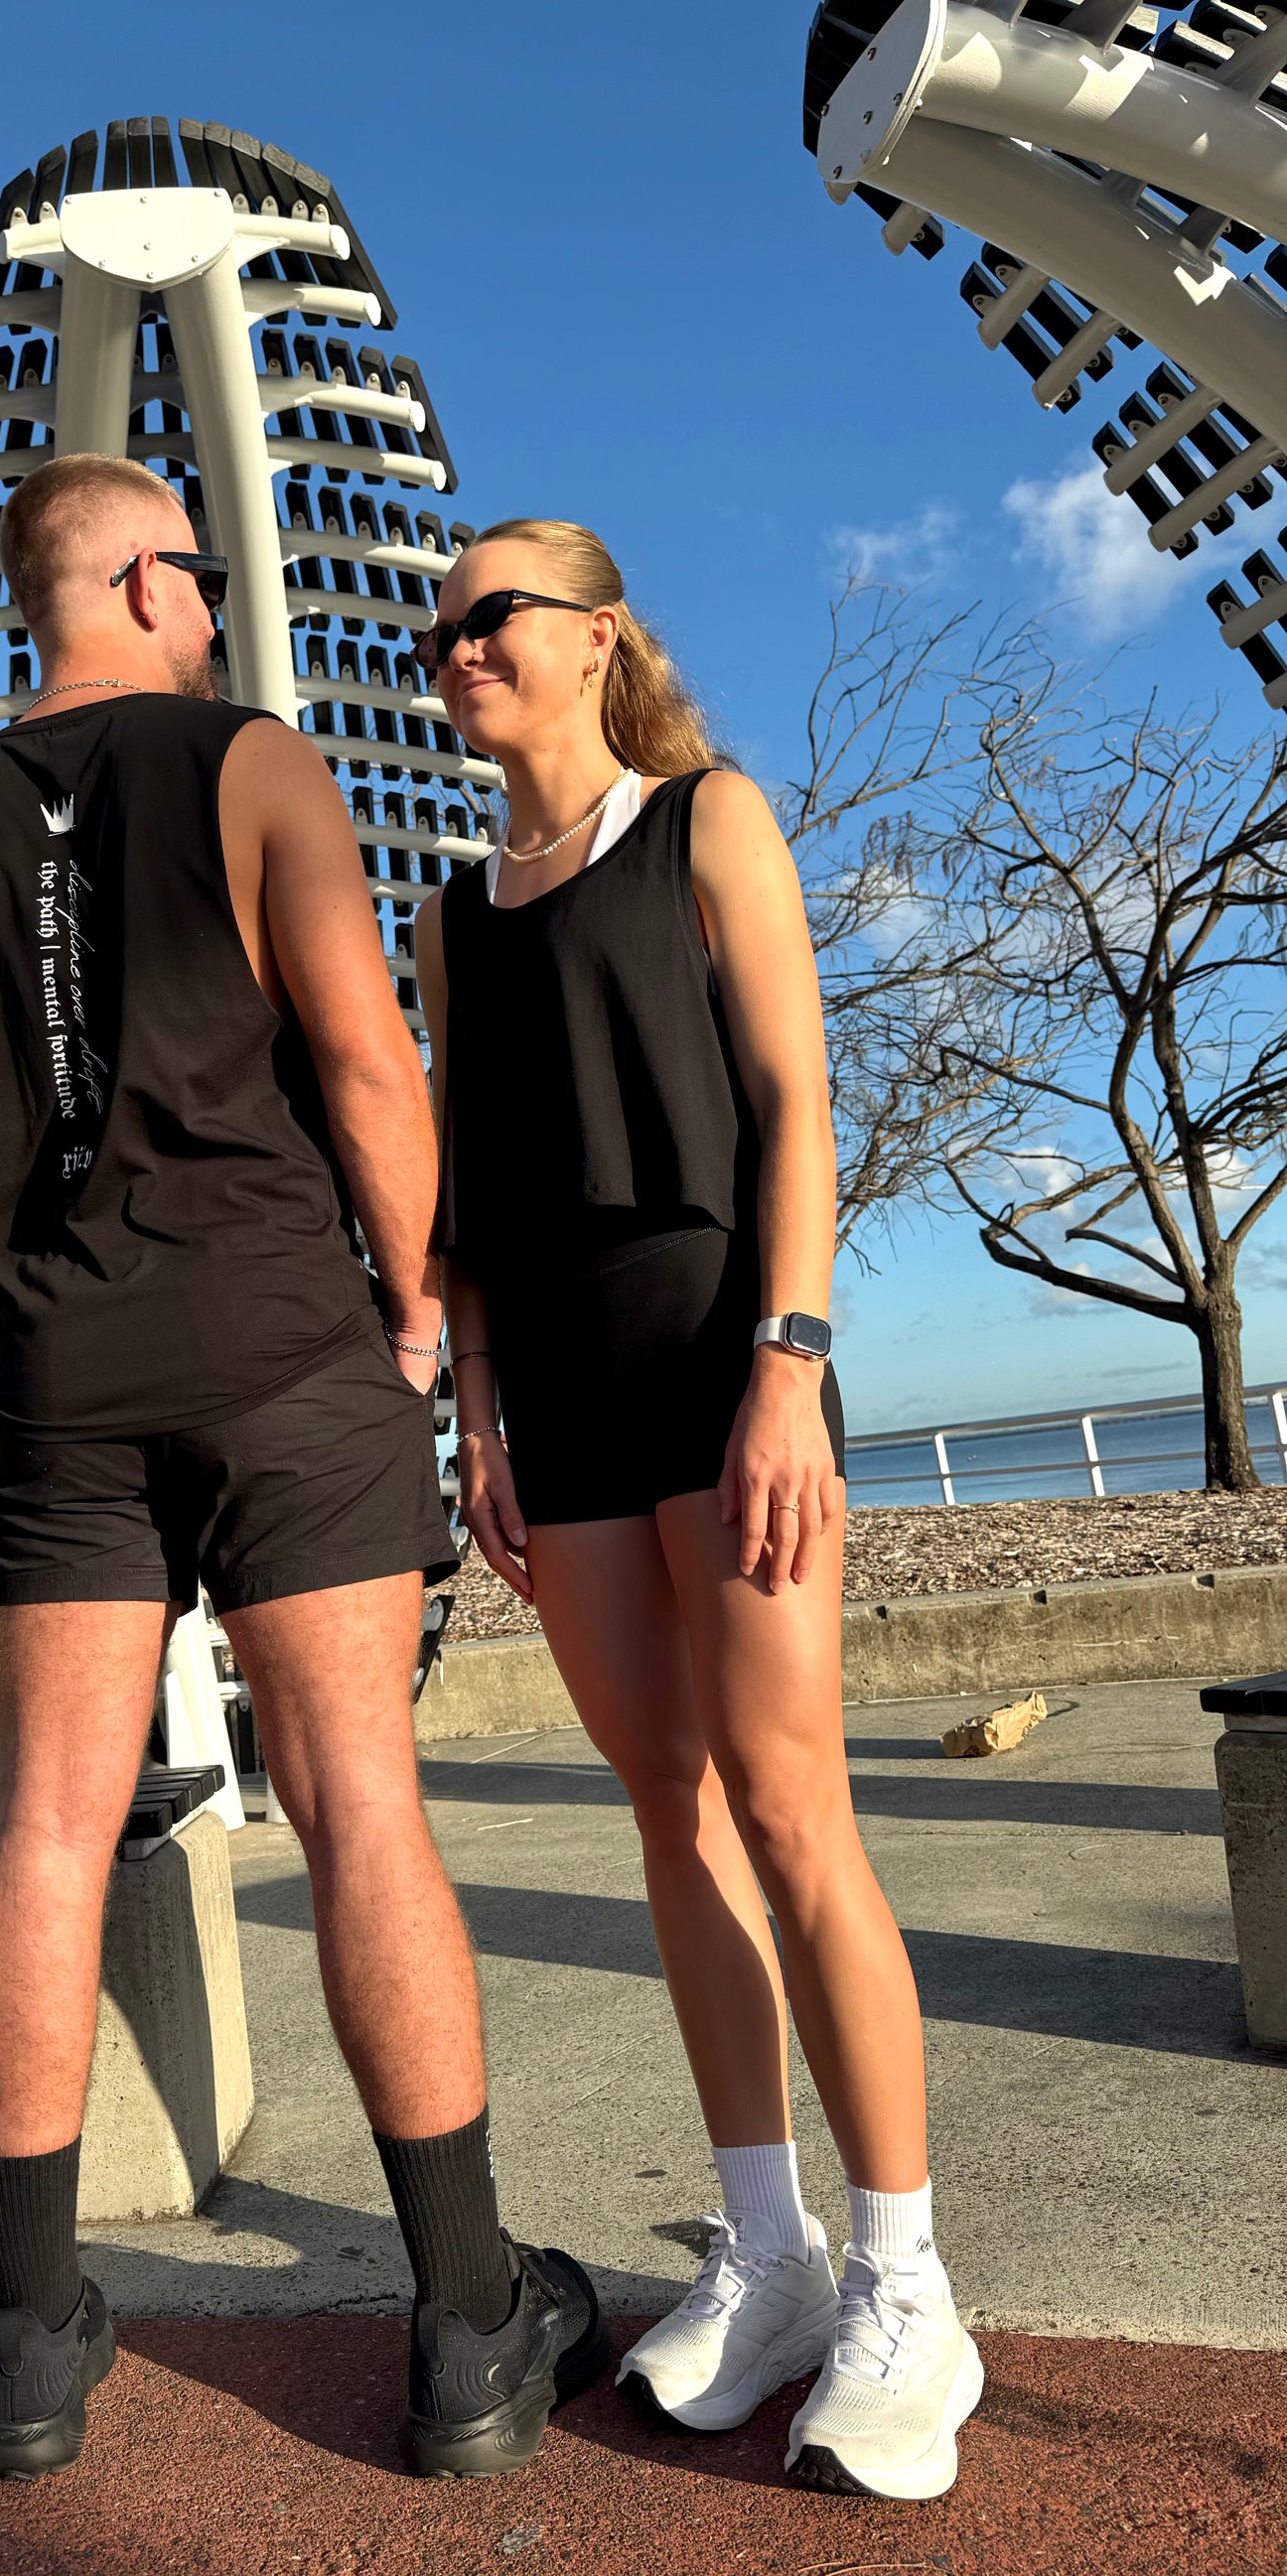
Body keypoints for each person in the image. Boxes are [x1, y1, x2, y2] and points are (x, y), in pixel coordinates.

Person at [0, 456, 606, 2484]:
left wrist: (14, 1352)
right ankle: (466, 2323)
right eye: (193, 571)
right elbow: (367, 1060)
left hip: (63, 1383)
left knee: (46, 1825)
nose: (209, 602)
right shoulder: (257, 764)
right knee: (359, 1803)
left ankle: (29, 2339)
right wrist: (414, 1314)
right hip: (284, 1344)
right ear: (136, 576)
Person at [414, 519, 981, 2504]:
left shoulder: (706, 820)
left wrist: (789, 1367)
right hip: (556, 1397)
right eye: (440, 626)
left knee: (790, 1803)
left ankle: (909, 2287)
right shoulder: (451, 913)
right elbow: (464, 1189)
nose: (455, 645)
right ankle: (771, 2255)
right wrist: (476, 1414)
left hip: (716, 1344)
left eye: (491, 616)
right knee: (669, 1811)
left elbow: (794, 1103)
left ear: (596, 636)